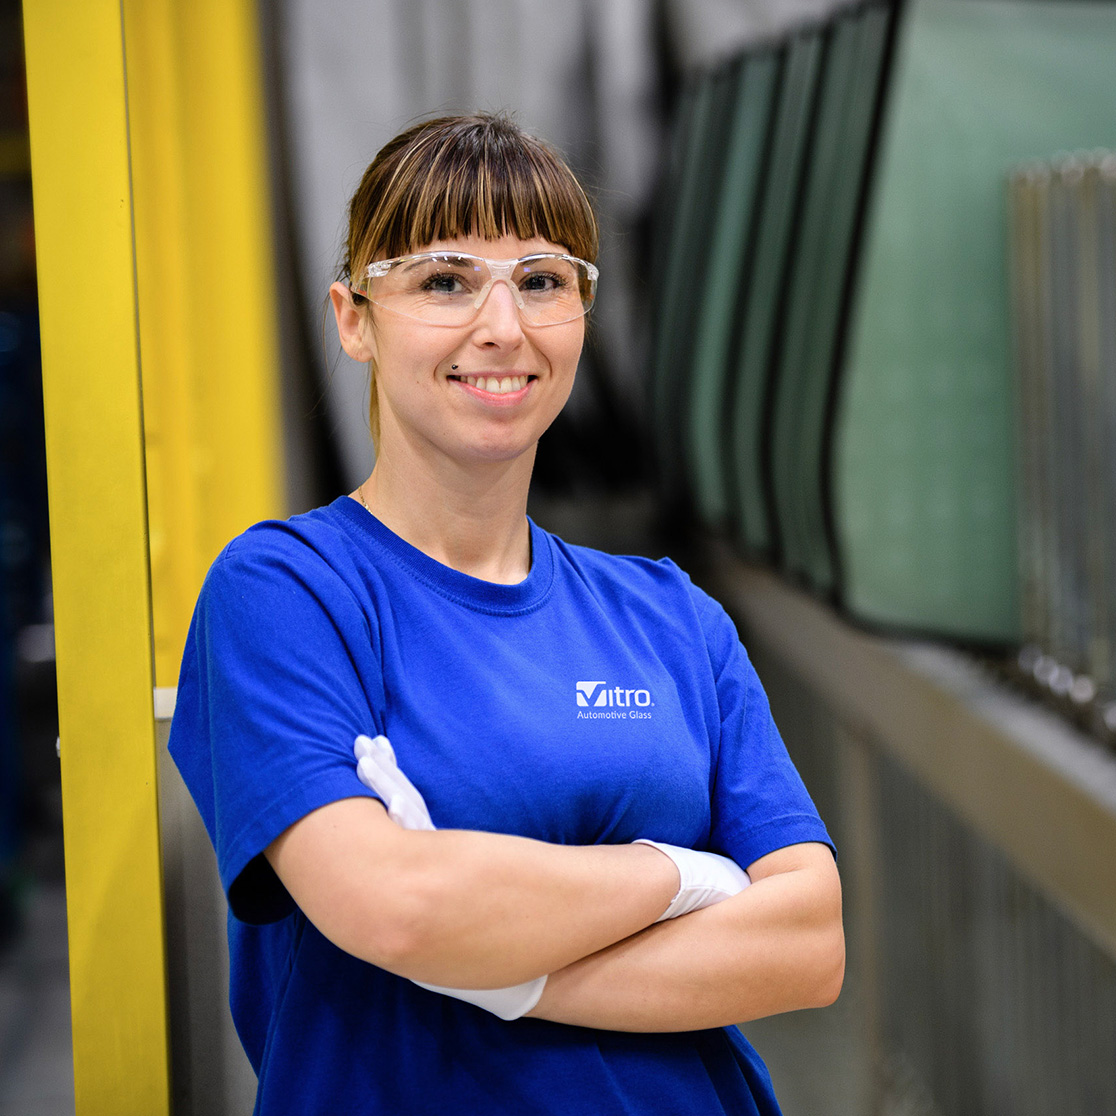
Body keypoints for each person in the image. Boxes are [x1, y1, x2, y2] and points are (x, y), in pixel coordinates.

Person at [169, 112, 843, 1116]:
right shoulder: (289, 591)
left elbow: (808, 943)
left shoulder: (670, 618)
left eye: (542, 280)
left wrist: (503, 972)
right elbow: (396, 906)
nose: (502, 325)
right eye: (444, 279)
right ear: (354, 317)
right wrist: (687, 876)